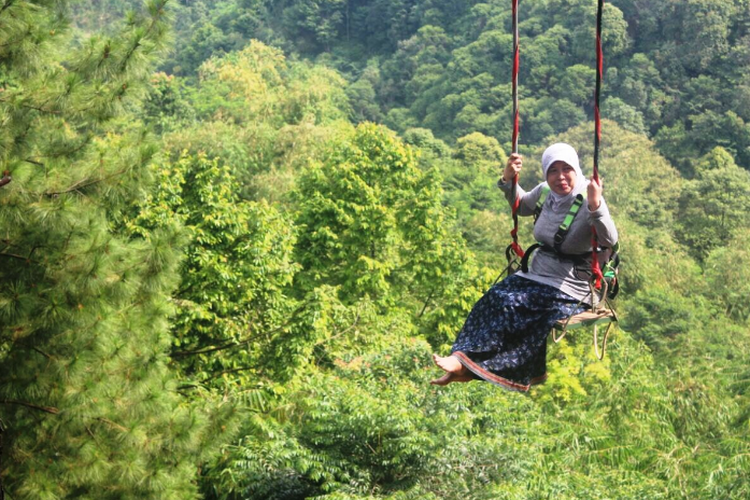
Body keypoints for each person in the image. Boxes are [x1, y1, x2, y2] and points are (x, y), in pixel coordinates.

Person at [431, 142, 618, 391]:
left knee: (515, 305)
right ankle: (463, 361)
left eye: (566, 169)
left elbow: (609, 240)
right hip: (538, 273)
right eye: (553, 171)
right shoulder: (544, 192)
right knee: (494, 297)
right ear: (545, 174)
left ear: (576, 170)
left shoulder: (589, 197)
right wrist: (508, 179)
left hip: (572, 284)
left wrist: (596, 207)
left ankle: (470, 366)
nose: (560, 177)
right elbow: (520, 205)